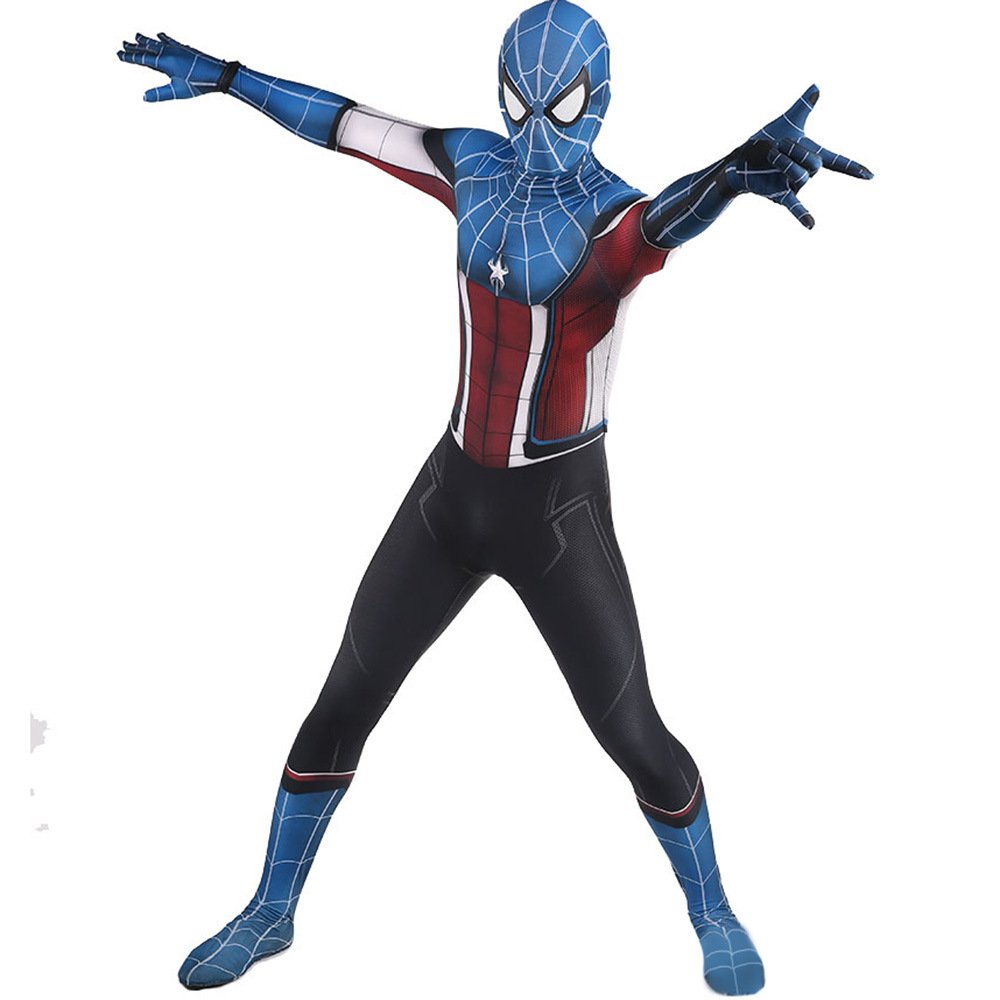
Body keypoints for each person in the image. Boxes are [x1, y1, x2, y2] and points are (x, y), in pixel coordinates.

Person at [118, 2, 871, 993]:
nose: (538, 130)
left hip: (557, 514)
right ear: (500, 94)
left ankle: (713, 909)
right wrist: (227, 76)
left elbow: (665, 219)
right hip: (451, 494)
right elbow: (346, 124)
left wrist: (731, 176)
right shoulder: (474, 166)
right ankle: (271, 910)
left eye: (562, 106)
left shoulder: (609, 218)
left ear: (600, 100)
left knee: (633, 733)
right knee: (341, 700)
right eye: (521, 103)